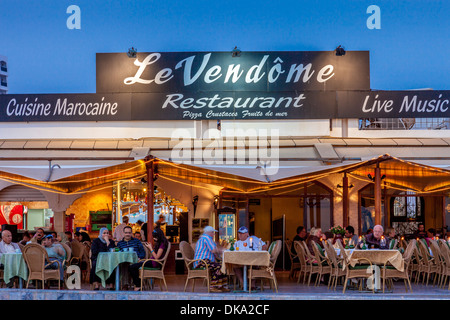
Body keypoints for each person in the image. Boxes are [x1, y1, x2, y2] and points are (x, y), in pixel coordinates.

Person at [193, 226, 229, 292]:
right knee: (219, 266)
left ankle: (221, 286)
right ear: (209, 232)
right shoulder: (206, 238)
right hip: (201, 262)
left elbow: (214, 252)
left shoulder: (205, 238)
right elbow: (213, 250)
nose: (214, 234)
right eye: (213, 232)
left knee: (223, 265)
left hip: (203, 261)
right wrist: (223, 250)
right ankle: (213, 287)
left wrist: (220, 250)